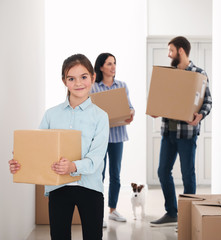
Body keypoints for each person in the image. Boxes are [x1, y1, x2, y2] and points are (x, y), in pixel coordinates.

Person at [9, 54, 109, 240]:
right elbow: (37, 149)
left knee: (93, 236)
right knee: (59, 236)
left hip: (90, 188)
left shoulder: (101, 117)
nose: (78, 83)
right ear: (64, 81)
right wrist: (20, 161)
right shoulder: (51, 115)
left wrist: (73, 166)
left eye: (84, 77)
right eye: (71, 78)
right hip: (58, 188)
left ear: (93, 77)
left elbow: (97, 157)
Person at [150, 36, 212, 227]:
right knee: (162, 172)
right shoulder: (168, 74)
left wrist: (199, 116)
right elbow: (162, 100)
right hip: (168, 133)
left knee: (187, 174)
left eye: (171, 51)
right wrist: (155, 109)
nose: (169, 55)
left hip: (186, 134)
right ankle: (171, 212)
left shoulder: (199, 74)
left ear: (181, 51)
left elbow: (208, 103)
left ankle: (188, 217)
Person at [91, 53, 135, 227]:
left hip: (117, 136)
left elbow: (130, 108)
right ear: (101, 67)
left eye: (114, 63)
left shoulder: (122, 86)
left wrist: (131, 114)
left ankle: (113, 210)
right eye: (109, 63)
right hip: (99, 138)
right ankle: (97, 213)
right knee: (98, 175)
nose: (113, 67)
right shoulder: (93, 88)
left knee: (115, 175)